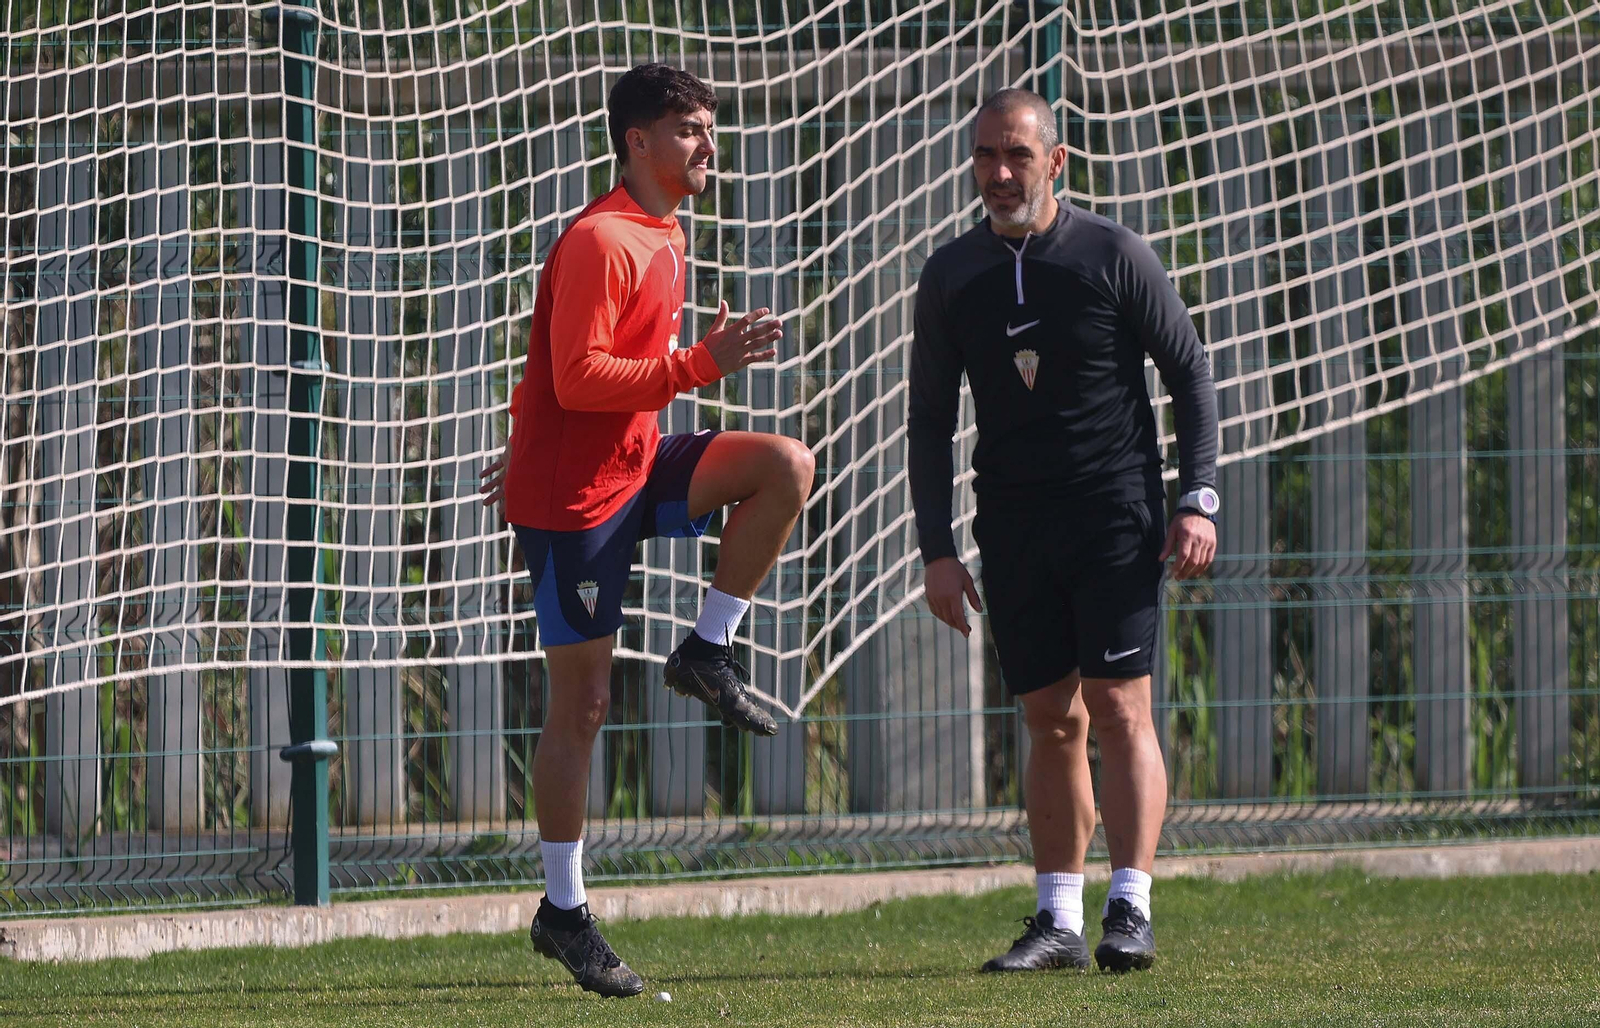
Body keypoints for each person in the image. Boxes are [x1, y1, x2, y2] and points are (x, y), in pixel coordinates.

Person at [479, 63, 815, 997]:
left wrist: (678, 363)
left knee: (785, 465)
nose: (709, 145)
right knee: (582, 706)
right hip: (573, 503)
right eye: (690, 129)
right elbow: (579, 375)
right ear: (638, 142)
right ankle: (563, 909)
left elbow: (585, 366)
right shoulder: (601, 239)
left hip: (634, 465)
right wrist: (696, 363)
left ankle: (708, 650)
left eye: (710, 127)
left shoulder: (667, 231)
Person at [907, 88, 1220, 974]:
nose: (1000, 174)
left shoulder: (1112, 254)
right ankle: (1057, 922)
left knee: (1121, 709)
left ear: (1057, 161)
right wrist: (937, 548)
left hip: (1114, 513)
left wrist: (1199, 499)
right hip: (1010, 523)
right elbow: (929, 419)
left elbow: (1190, 376)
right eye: (984, 158)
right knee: (1049, 718)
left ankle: (1132, 908)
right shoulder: (951, 275)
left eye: (1016, 155)